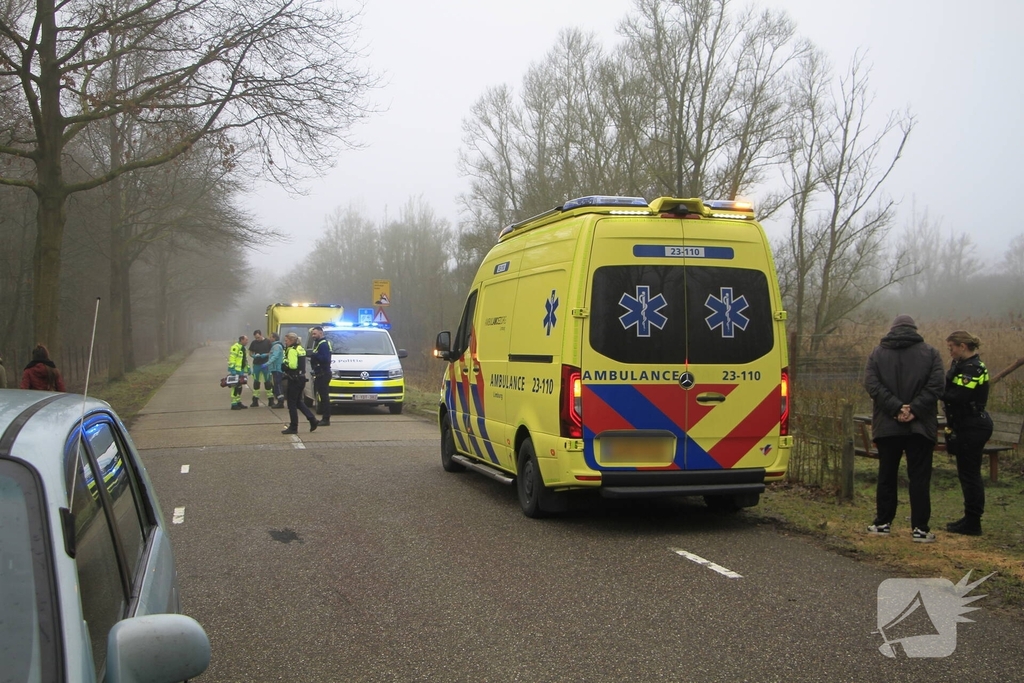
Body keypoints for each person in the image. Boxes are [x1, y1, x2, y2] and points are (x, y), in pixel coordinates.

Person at [864, 314, 944, 543]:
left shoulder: (877, 354)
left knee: (887, 474)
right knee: (919, 477)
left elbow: (872, 385)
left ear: (892, 329)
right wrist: (914, 410)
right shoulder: (931, 353)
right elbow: (937, 385)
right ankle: (920, 528)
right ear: (914, 329)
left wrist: (896, 408)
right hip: (920, 427)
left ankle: (883, 522)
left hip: (888, 426)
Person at [941, 330, 994, 536]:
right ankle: (969, 517)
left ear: (962, 346)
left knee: (970, 474)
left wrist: (935, 392)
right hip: (965, 424)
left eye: (952, 347)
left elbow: (959, 396)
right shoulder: (962, 366)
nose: (950, 352)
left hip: (973, 425)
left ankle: (973, 522)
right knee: (966, 473)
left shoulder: (972, 368)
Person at [282, 332, 318, 434]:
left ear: (292, 340)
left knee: (292, 404)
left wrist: (284, 364)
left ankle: (293, 427)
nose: (285, 342)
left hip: (294, 379)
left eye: (287, 340)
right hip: (301, 378)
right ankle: (312, 419)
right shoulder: (300, 348)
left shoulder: (292, 350)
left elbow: (292, 365)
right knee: (298, 402)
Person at [309, 325, 333, 426]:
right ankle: (325, 417)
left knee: (324, 397)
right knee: (322, 397)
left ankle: (326, 419)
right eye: (312, 334)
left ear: (320, 333)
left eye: (315, 334)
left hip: (323, 374)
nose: (313, 336)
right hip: (320, 374)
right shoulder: (319, 343)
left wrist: (314, 355)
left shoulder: (323, 344)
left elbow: (325, 359)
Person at [248, 329, 272, 407]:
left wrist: (266, 354)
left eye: (258, 337)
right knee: (256, 382)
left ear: (261, 335)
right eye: (256, 338)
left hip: (265, 364)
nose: (257, 339)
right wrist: (253, 356)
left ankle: (270, 399)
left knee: (267, 382)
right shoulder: (254, 343)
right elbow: (250, 352)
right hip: (256, 364)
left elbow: (271, 352)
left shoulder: (268, 342)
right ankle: (255, 400)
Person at [228, 335, 249, 410]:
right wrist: (232, 368)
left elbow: (244, 360)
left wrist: (248, 369)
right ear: (241, 340)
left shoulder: (243, 348)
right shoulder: (235, 347)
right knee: (235, 387)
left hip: (241, 370)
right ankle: (233, 404)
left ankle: (238, 401)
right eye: (246, 340)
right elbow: (232, 358)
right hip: (236, 370)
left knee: (240, 386)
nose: (247, 341)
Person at [267, 332, 285, 408]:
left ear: (274, 338)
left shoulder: (277, 346)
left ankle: (280, 402)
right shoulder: (274, 346)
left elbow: (275, 356)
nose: (269, 338)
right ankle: (279, 400)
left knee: (278, 385)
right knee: (276, 385)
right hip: (275, 369)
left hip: (277, 369)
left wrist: (267, 364)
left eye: (271, 337)